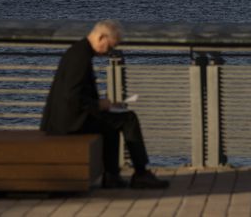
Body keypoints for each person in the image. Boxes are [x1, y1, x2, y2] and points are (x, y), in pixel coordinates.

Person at [41, 19, 169, 189]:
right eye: (109, 47)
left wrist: (105, 105)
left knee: (112, 122)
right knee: (128, 119)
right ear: (101, 37)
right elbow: (72, 96)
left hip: (66, 119)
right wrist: (99, 105)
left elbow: (74, 95)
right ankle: (140, 173)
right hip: (70, 122)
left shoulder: (79, 51)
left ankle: (112, 176)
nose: (109, 52)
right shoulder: (80, 57)